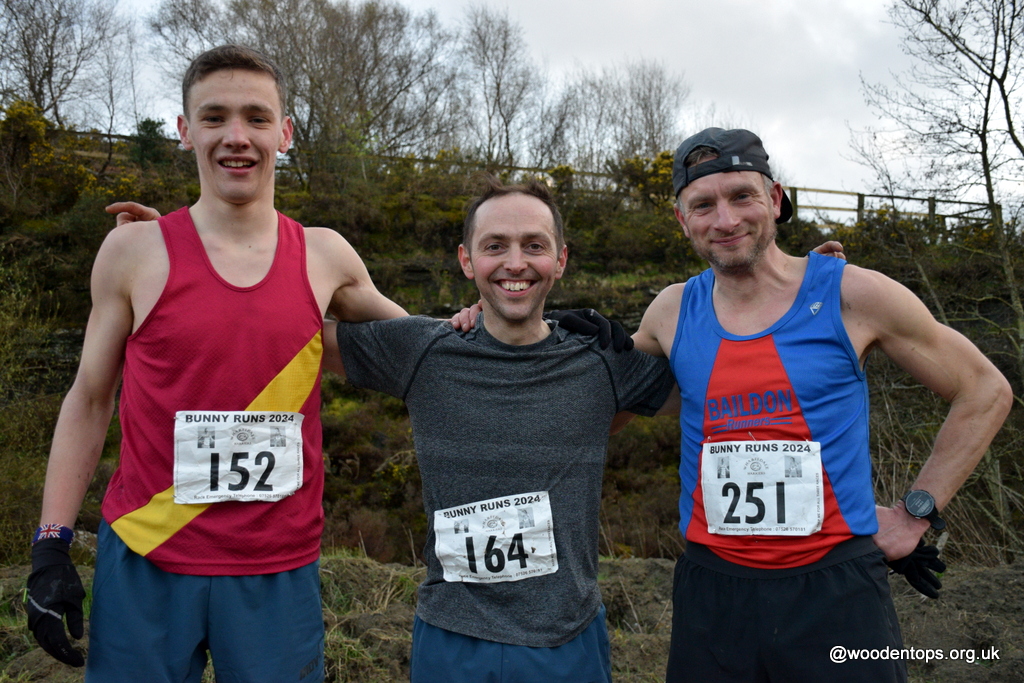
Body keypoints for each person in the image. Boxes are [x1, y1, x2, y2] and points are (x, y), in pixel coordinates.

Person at [25, 44, 406, 682]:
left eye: (257, 118)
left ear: (285, 133)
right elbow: (89, 398)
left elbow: (420, 342)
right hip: (147, 555)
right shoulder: (132, 253)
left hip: (276, 568)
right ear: (184, 131)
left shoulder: (326, 256)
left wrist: (518, 327)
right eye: (214, 117)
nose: (237, 137)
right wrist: (51, 543)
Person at [629, 128, 1012, 682]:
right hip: (712, 595)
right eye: (703, 204)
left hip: (835, 593)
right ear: (681, 219)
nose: (726, 220)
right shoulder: (669, 313)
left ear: (776, 199)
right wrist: (492, 327)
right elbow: (607, 395)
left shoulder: (852, 294)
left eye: (743, 196)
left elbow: (984, 389)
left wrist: (915, 514)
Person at [324, 176, 678, 683]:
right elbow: (291, 329)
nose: (515, 263)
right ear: (467, 260)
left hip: (567, 642)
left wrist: (808, 291)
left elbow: (723, 378)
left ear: (560, 260)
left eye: (534, 246)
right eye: (495, 247)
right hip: (452, 641)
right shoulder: (423, 350)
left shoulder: (603, 358)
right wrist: (170, 258)